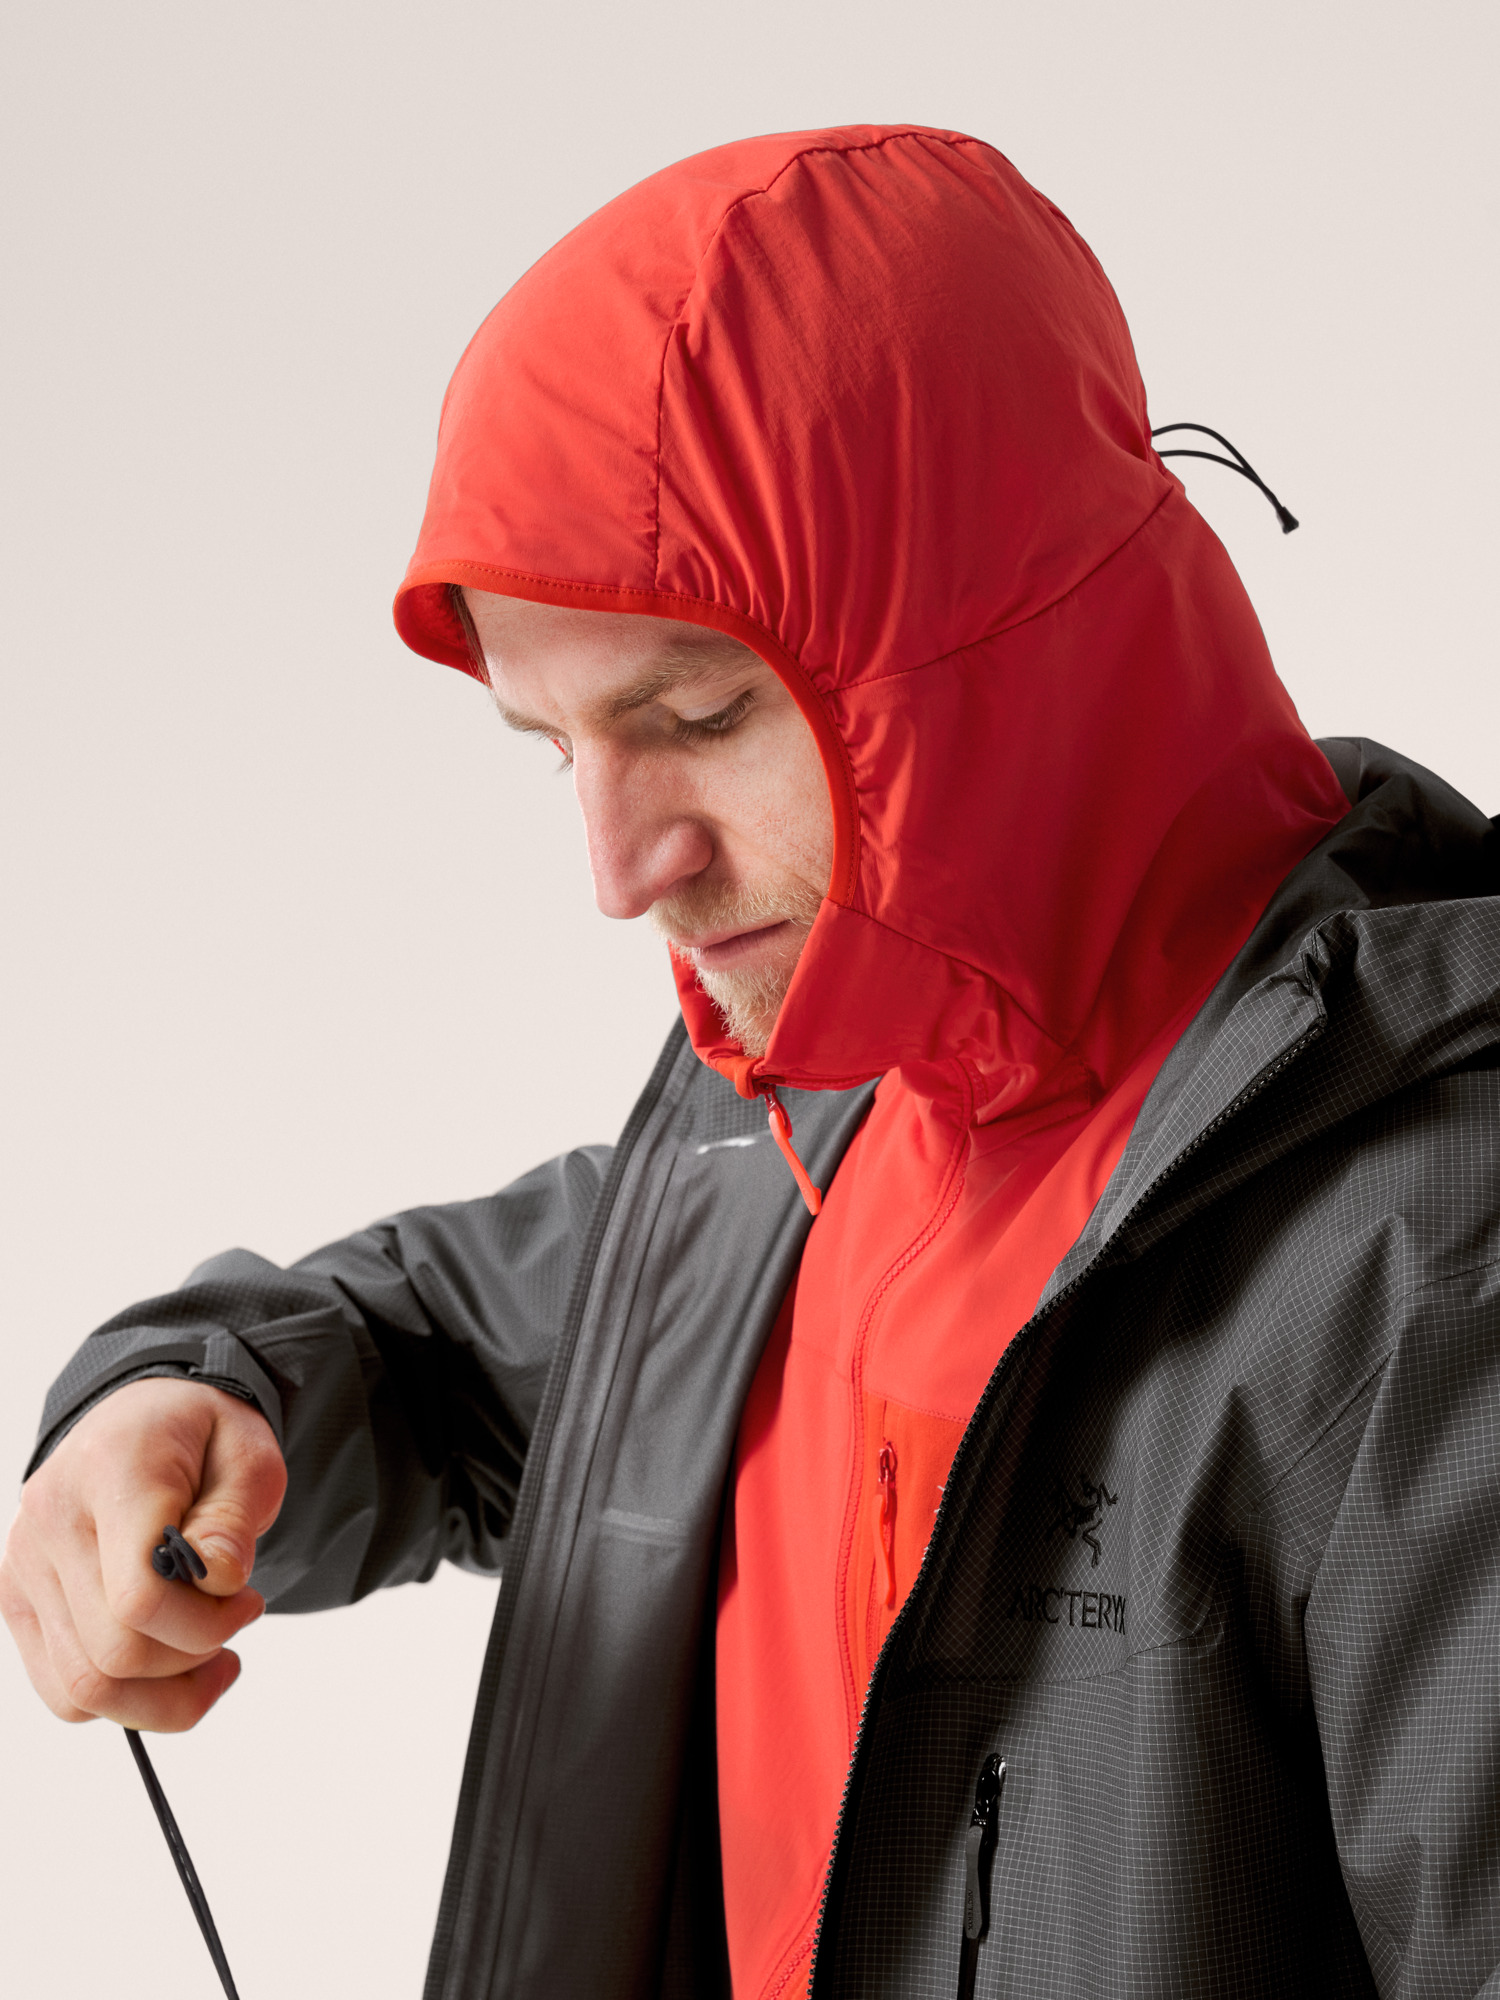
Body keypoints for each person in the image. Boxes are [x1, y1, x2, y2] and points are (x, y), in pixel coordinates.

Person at [4, 123, 1499, 2000]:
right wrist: (176, 1399)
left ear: (1009, 643)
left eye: (699, 714)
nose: (619, 869)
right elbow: (423, 1348)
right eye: (560, 750)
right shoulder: (807, 1127)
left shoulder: (1434, 1260)